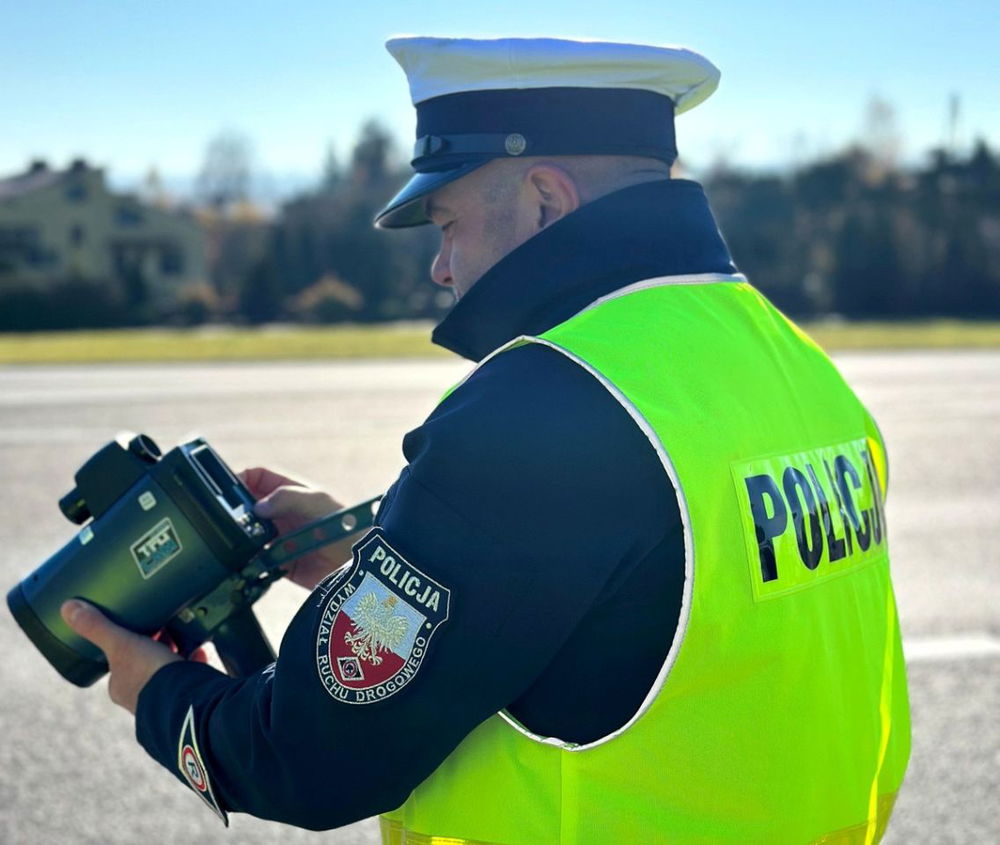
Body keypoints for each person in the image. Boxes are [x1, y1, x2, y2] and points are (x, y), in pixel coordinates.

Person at [62, 36, 911, 843]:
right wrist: (381, 552)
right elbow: (644, 587)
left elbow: (309, 755)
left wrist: (161, 694)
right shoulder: (795, 364)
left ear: (545, 200)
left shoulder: (545, 407)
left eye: (447, 224)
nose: (439, 267)